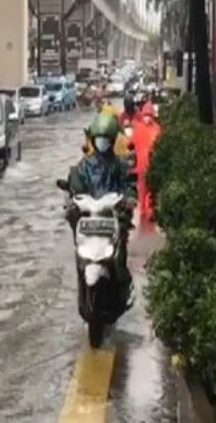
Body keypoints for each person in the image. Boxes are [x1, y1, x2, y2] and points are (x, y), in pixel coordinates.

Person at [67, 113, 137, 308]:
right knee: (78, 251)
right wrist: (72, 203)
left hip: (112, 218)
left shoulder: (120, 165)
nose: (102, 143)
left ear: (112, 140)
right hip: (90, 220)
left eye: (105, 139)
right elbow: (75, 188)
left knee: (120, 253)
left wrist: (129, 200)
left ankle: (124, 286)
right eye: (99, 139)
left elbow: (129, 185)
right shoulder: (83, 166)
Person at [132, 103, 162, 220]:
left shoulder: (157, 129)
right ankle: (143, 209)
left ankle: (148, 209)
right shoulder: (138, 128)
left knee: (149, 188)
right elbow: (131, 143)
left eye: (149, 115)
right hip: (142, 164)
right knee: (142, 187)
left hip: (152, 164)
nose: (147, 117)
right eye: (146, 115)